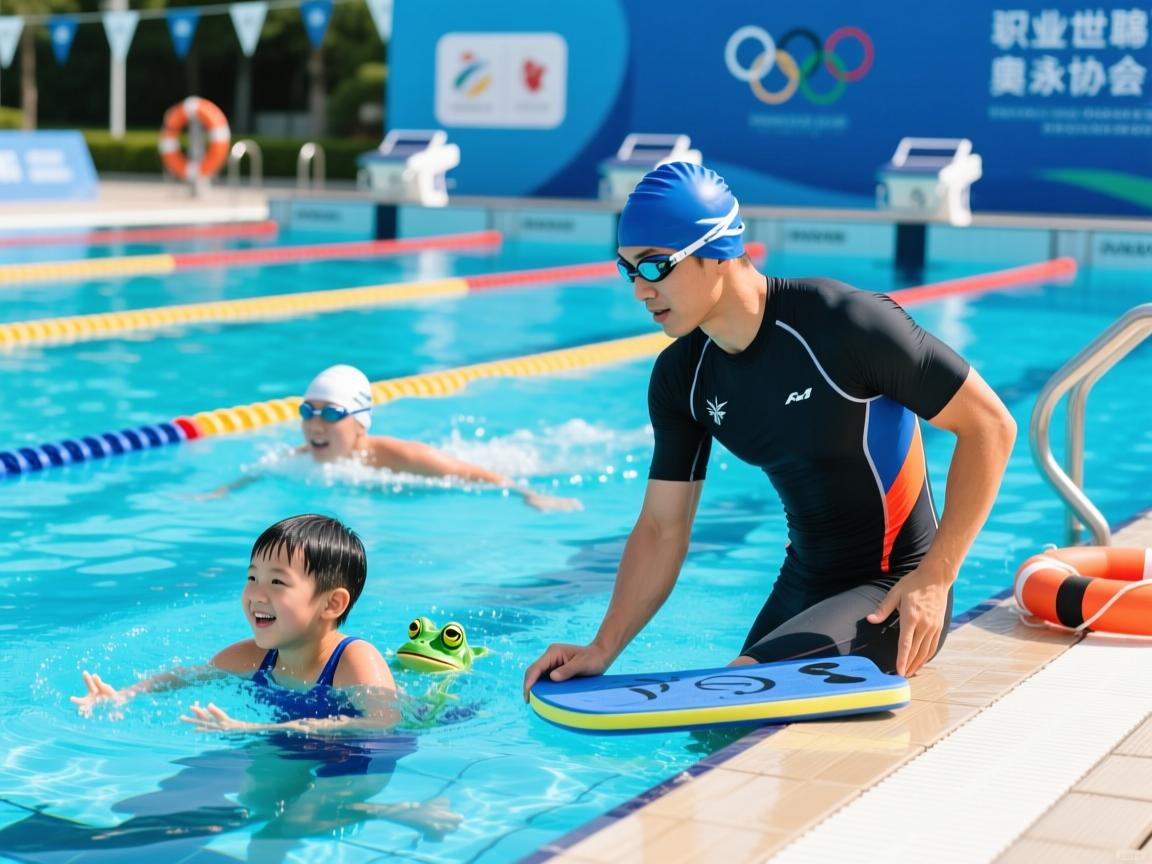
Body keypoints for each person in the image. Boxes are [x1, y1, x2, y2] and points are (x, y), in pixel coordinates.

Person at [523, 161, 1016, 698]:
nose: (640, 289)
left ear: (717, 251)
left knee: (736, 695)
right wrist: (603, 646)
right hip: (804, 583)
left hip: (896, 589)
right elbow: (663, 527)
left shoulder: (843, 325)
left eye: (656, 266)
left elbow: (990, 426)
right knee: (719, 722)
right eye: (628, 270)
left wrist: (937, 576)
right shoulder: (682, 376)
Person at [73, 512, 398, 731]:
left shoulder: (353, 660)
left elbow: (384, 722)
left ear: (332, 603)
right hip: (285, 744)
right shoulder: (253, 656)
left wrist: (259, 729)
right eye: (252, 577)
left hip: (352, 755)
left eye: (277, 582)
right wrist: (125, 694)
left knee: (310, 807)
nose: (256, 594)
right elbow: (187, 677)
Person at [211, 364, 582, 513]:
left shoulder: (401, 456)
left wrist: (527, 493)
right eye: (308, 411)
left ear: (360, 424)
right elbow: (264, 470)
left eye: (332, 413)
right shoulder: (304, 456)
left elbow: (471, 474)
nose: (315, 424)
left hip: (500, 464)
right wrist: (223, 491)